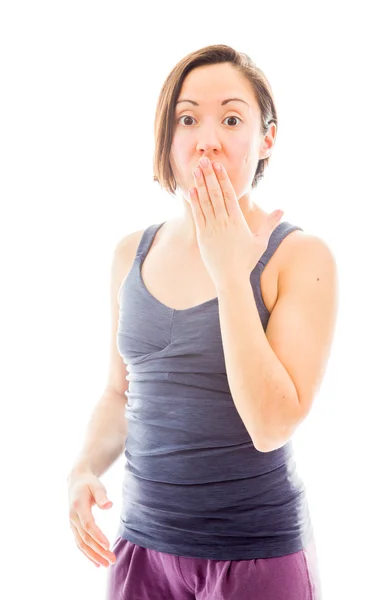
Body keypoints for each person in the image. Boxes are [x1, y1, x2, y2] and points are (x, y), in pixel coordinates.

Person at [67, 44, 338, 599]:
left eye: (231, 118)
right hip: (141, 550)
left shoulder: (301, 257)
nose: (206, 138)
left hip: (256, 556)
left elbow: (271, 425)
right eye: (187, 118)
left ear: (266, 138)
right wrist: (82, 468)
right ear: (168, 140)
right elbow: (119, 394)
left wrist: (230, 276)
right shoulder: (130, 253)